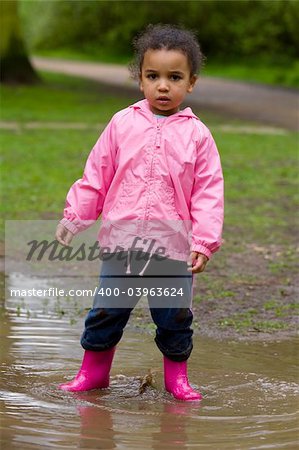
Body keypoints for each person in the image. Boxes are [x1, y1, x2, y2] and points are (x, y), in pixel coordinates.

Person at [56, 24, 224, 401]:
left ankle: (177, 381)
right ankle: (92, 374)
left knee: (174, 317)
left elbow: (208, 193)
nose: (163, 86)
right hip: (122, 246)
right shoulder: (122, 124)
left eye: (174, 77)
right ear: (141, 80)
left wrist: (204, 241)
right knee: (107, 312)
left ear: (191, 83)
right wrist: (74, 217)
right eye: (153, 76)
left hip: (172, 249)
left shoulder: (198, 135)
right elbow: (96, 175)